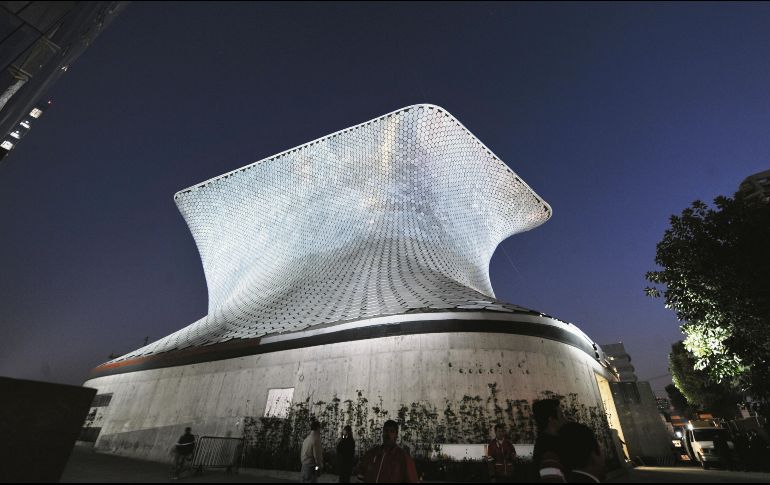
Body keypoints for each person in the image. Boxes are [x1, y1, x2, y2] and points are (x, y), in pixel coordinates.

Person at [354, 420, 419, 483]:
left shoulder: (404, 458)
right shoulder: (371, 454)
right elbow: (360, 476)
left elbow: (412, 480)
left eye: (392, 431)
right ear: (382, 433)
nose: (388, 434)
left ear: (396, 435)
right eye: (386, 430)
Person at [532, 399, 567, 482]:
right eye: (561, 416)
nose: (565, 420)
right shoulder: (549, 448)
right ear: (551, 419)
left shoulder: (544, 443)